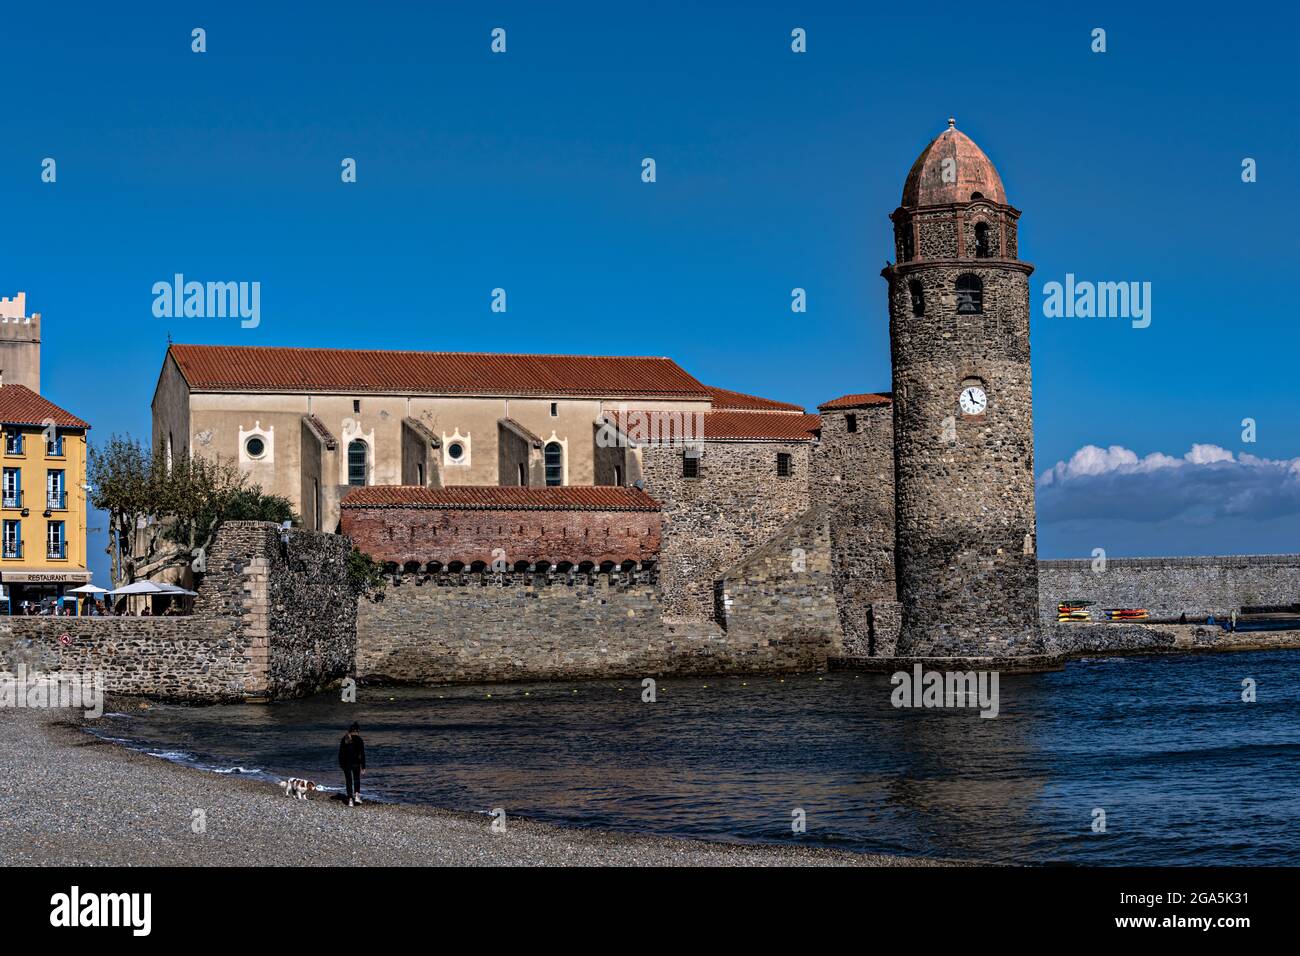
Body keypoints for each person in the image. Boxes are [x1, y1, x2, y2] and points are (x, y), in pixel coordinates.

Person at [338, 722, 366, 807]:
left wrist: (341, 764)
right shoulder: (359, 740)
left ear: (350, 730)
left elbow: (341, 753)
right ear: (357, 730)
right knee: (356, 779)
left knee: (348, 781)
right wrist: (363, 766)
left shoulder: (345, 738)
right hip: (356, 763)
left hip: (346, 763)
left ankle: (350, 800)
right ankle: (357, 797)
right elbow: (362, 754)